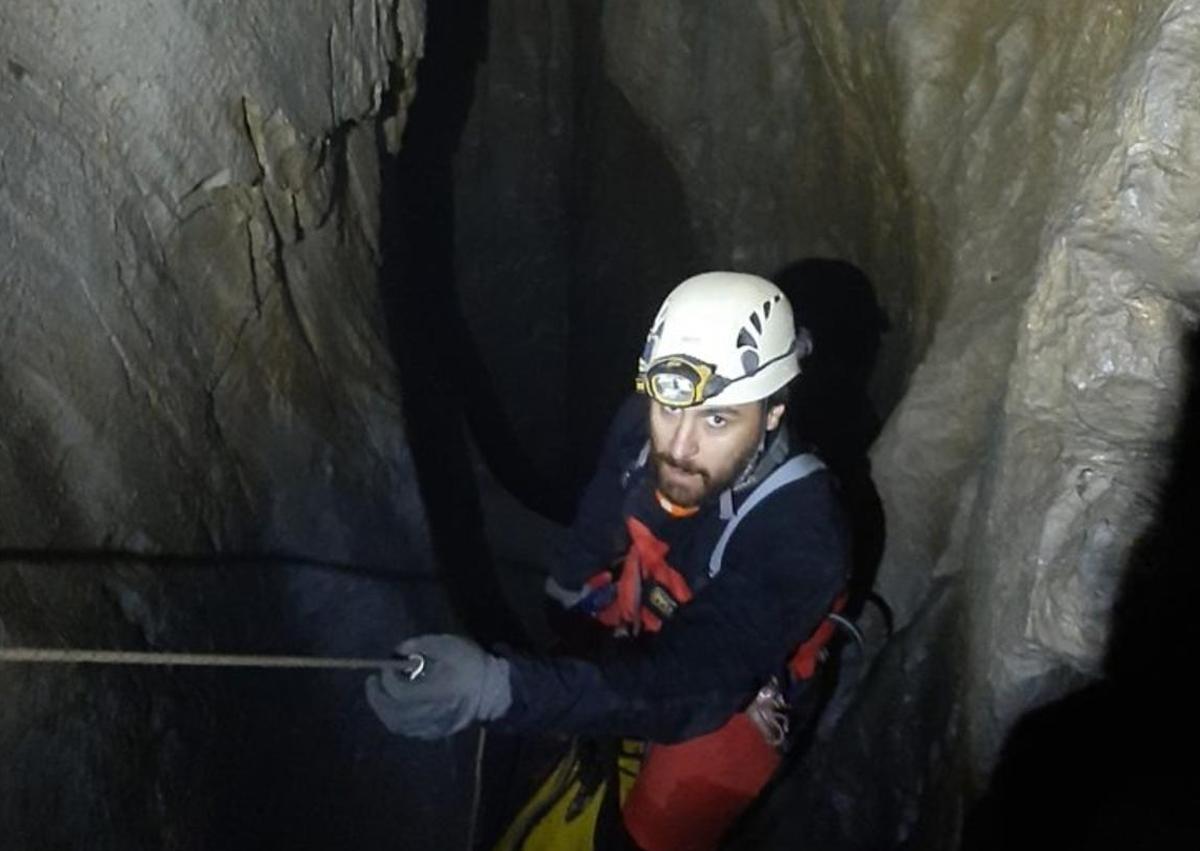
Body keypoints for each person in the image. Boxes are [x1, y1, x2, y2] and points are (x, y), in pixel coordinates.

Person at [367, 271, 848, 850]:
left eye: (718, 419)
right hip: (656, 605)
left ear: (772, 413)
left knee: (652, 832)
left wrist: (503, 690)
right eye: (668, 410)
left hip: (728, 689)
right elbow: (595, 528)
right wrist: (565, 627)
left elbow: (693, 682)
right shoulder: (649, 424)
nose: (680, 445)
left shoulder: (801, 531)